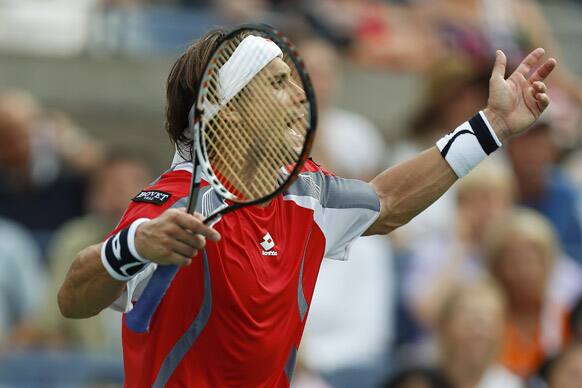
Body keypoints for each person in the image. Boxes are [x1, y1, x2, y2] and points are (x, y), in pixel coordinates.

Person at [57, 27, 556, 387]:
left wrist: (489, 127)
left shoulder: (306, 193)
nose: (301, 96)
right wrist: (133, 246)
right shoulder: (172, 201)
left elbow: (386, 202)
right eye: (277, 84)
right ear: (225, 107)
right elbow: (74, 298)